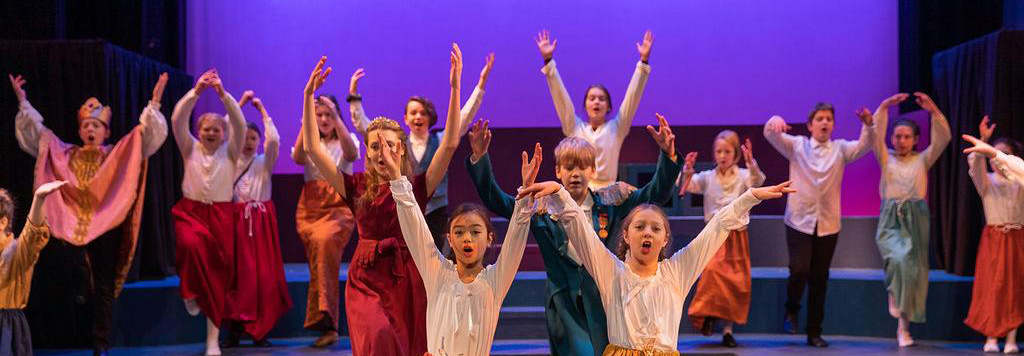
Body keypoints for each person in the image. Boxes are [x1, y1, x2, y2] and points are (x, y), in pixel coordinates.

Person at [466, 113, 681, 355]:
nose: (575, 173)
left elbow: (654, 195)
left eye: (581, 167)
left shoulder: (611, 201)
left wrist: (668, 157)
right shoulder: (541, 207)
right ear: (558, 171)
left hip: (604, 298)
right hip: (563, 302)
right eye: (569, 167)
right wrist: (480, 158)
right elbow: (497, 201)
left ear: (593, 169)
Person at [300, 46, 465, 355]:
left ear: (401, 150)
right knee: (377, 335)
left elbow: (452, 142)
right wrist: (308, 96)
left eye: (388, 145)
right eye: (374, 146)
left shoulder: (417, 185)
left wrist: (455, 87)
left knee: (408, 344)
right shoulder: (354, 186)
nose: (381, 152)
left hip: (407, 275)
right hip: (366, 277)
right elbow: (311, 147)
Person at [522, 178, 792, 355]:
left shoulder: (676, 273)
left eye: (655, 228)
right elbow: (581, 231)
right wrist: (560, 194)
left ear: (665, 239)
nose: (647, 233)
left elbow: (716, 228)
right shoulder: (612, 272)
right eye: (639, 227)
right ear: (626, 236)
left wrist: (749, 197)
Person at [11, 73, 169, 356]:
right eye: (85, 125)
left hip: (105, 225)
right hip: (72, 226)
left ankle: (101, 343)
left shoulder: (114, 154)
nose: (90, 129)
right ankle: (82, 320)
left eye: (95, 124)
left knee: (104, 283)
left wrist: (155, 102)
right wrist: (23, 101)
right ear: (80, 130)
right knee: (81, 278)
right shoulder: (67, 154)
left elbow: (142, 139)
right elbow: (40, 137)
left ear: (106, 131)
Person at [388, 135, 534, 355]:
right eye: (459, 232)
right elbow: (415, 228)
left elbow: (515, 239)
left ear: (489, 239)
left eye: (475, 232)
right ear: (449, 239)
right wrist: (396, 177)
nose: (467, 238)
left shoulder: (494, 281)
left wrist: (525, 194)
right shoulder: (438, 273)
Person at [348, 52, 494, 246]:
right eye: (413, 113)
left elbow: (465, 116)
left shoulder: (441, 139)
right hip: (405, 208)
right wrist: (354, 98)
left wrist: (481, 83)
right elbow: (365, 127)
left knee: (434, 262)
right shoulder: (397, 144)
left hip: (435, 210)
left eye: (423, 113)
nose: (418, 116)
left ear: (430, 117)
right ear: (406, 118)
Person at [763, 101, 876, 347]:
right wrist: (776, 118)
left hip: (827, 224)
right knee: (800, 269)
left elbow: (866, 144)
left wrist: (868, 125)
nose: (825, 123)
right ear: (810, 125)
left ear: (833, 125)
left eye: (829, 119)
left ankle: (814, 331)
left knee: (819, 278)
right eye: (820, 119)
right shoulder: (797, 146)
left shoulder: (840, 149)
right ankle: (792, 308)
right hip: (799, 221)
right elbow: (770, 134)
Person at [169, 69, 247, 356]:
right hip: (191, 212)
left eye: (217, 129)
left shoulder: (231, 151)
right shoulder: (189, 148)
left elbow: (239, 123)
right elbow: (177, 119)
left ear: (224, 134)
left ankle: (212, 341)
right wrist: (198, 92)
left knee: (217, 278)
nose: (211, 133)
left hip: (222, 216)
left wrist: (224, 95)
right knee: (189, 244)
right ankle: (189, 288)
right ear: (198, 131)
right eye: (206, 129)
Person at [867, 92, 950, 347]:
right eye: (897, 136)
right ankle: (894, 290)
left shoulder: (923, 159)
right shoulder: (885, 156)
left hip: (916, 217)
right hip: (891, 216)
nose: (901, 141)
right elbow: (874, 135)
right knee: (898, 259)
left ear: (915, 140)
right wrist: (884, 106)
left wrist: (933, 111)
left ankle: (903, 328)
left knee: (913, 270)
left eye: (906, 137)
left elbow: (943, 138)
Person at [535, 29, 653, 190]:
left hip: (609, 193)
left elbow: (632, 98)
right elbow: (561, 100)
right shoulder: (575, 128)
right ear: (585, 105)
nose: (596, 102)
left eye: (601, 98)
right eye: (592, 98)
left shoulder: (617, 128)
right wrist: (549, 62)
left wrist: (643, 63)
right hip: (580, 191)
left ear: (609, 106)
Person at [678, 131, 765, 347]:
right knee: (712, 274)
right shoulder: (708, 177)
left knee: (736, 283)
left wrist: (751, 163)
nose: (723, 155)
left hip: (737, 236)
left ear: (735, 153)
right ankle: (707, 316)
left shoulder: (744, 175)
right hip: (715, 235)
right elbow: (687, 184)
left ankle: (727, 330)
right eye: (719, 151)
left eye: (727, 151)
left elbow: (758, 181)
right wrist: (687, 169)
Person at [221, 92, 292, 347]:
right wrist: (239, 105)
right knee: (237, 276)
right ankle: (235, 329)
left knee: (263, 276)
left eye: (254, 138)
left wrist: (262, 110)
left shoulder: (264, 163)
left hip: (261, 224)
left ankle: (260, 331)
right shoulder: (228, 162)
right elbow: (226, 126)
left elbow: (274, 140)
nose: (249, 142)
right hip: (237, 223)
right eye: (245, 137)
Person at [291, 92, 360, 347]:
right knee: (319, 262)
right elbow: (298, 158)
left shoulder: (346, 139)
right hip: (309, 208)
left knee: (324, 246)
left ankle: (328, 322)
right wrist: (306, 117)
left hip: (338, 207)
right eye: (318, 115)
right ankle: (325, 323)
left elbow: (352, 155)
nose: (323, 119)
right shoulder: (310, 141)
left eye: (328, 114)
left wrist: (336, 115)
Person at [963, 118, 1024, 354]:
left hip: (1017, 237)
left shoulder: (1019, 182)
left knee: (1015, 287)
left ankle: (1011, 338)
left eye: (1002, 155)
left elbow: (1018, 170)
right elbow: (975, 167)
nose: (996, 160)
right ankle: (991, 336)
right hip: (994, 238)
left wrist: (997, 153)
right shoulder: (987, 182)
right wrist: (983, 144)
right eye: (993, 156)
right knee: (993, 287)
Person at [0, 181, 67, 356]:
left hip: (6, 330)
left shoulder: (15, 252)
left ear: (2, 222)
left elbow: (32, 235)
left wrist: (39, 199)